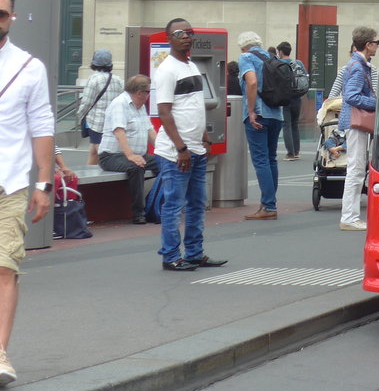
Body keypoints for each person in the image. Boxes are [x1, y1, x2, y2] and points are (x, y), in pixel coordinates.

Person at [0, 0, 55, 387]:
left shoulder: (28, 66)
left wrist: (44, 183)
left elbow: (42, 125)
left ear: (12, 18)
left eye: (2, 14)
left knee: (5, 268)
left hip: (10, 183)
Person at [154, 18, 226, 272]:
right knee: (174, 205)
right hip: (176, 152)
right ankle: (171, 256)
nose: (186, 36)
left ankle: (194, 253)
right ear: (168, 38)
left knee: (197, 204)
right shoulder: (167, 70)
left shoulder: (191, 66)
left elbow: (195, 105)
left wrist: (204, 136)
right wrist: (181, 148)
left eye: (189, 32)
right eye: (179, 33)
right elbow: (164, 112)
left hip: (196, 147)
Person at [98, 74, 160, 223]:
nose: (149, 95)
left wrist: (164, 151)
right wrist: (131, 155)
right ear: (140, 93)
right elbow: (119, 132)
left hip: (138, 154)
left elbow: (150, 131)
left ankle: (154, 203)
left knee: (166, 164)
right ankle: (138, 213)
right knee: (136, 167)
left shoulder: (140, 106)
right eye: (148, 92)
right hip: (112, 155)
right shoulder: (120, 104)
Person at [238, 31, 284, 221]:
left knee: (261, 160)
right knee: (271, 158)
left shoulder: (246, 57)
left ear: (243, 47)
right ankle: (269, 202)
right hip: (276, 114)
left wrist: (250, 111)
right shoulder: (271, 56)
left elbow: (252, 82)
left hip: (258, 115)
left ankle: (268, 205)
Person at [337, 26, 379, 231]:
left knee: (356, 168)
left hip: (353, 122)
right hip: (355, 122)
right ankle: (349, 217)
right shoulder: (358, 66)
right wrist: (377, 103)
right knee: (356, 169)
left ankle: (350, 216)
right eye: (376, 42)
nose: (377, 46)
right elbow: (351, 96)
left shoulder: (357, 64)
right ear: (368, 45)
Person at [78, 49, 122, 166]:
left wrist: (80, 115)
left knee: (101, 152)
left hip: (97, 122)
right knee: (93, 150)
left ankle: (111, 172)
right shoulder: (117, 80)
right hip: (112, 121)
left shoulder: (94, 79)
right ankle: (89, 172)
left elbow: (87, 102)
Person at [276, 41, 307, 161]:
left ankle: (290, 153)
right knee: (295, 124)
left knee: (287, 125)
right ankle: (297, 151)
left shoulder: (279, 64)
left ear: (281, 52)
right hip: (297, 97)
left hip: (285, 98)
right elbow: (305, 76)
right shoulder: (297, 63)